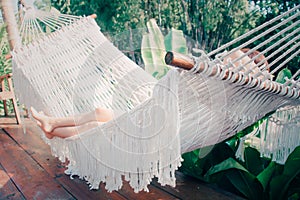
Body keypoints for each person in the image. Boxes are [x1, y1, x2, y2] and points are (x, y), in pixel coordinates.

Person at [31, 48, 269, 139]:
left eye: (232, 61)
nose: (225, 62)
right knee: (101, 112)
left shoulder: (226, 102)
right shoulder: (210, 81)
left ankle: (53, 127)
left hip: (159, 133)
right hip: (153, 117)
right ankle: (52, 125)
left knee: (98, 131)